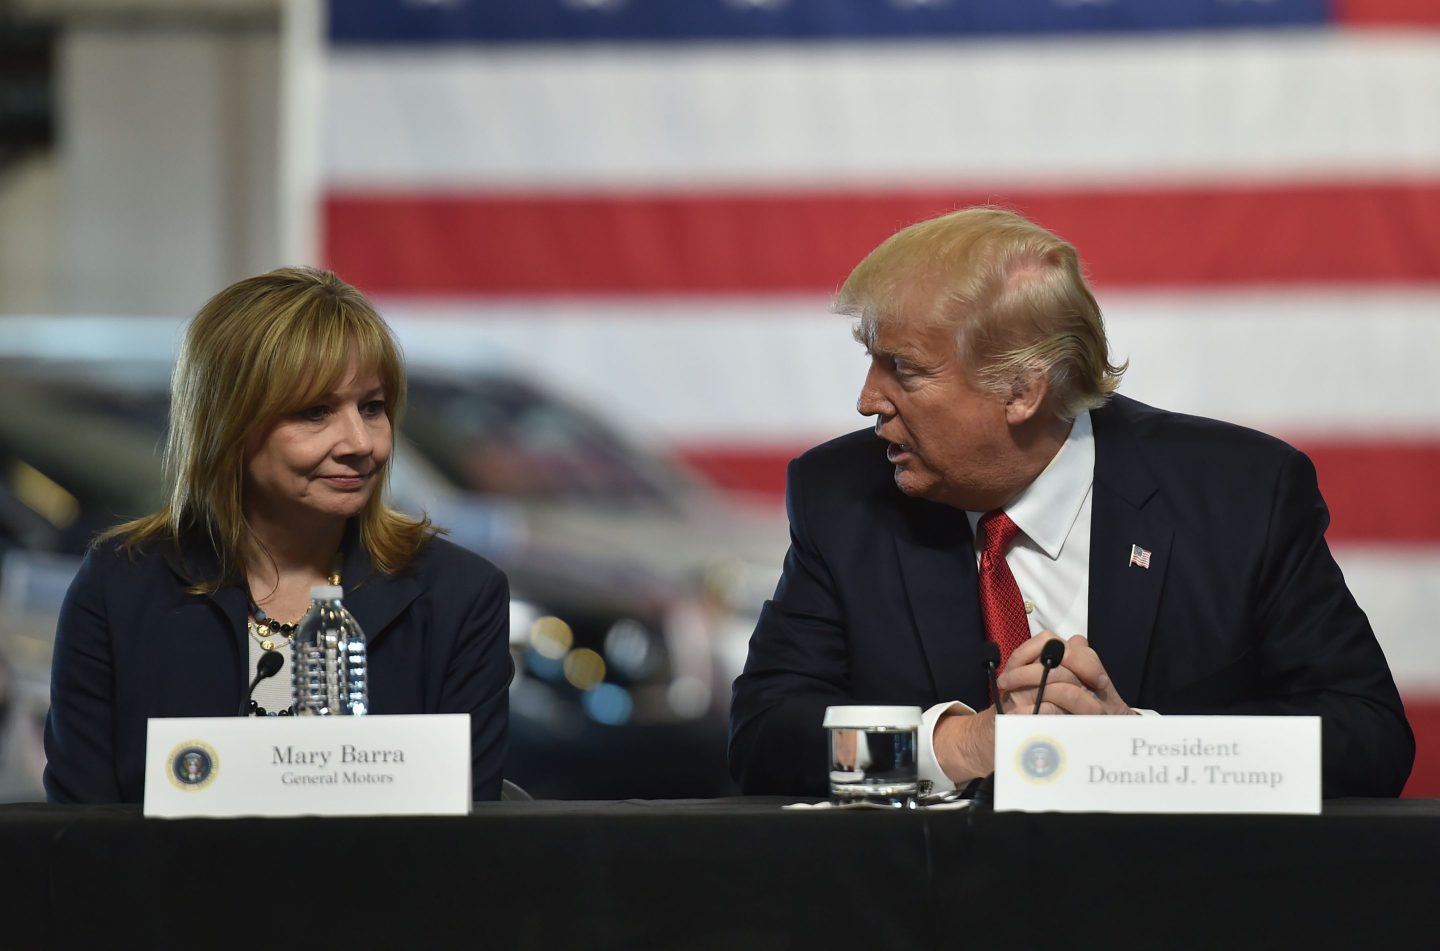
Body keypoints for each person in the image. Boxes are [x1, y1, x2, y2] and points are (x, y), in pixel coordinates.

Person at [729, 207, 1413, 799]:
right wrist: (959, 744)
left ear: (1023, 391)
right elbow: (765, 740)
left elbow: (1368, 738)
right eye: (871, 360)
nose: (868, 400)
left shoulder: (1241, 496)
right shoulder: (842, 496)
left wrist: (1138, 750)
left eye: (903, 370)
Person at [43, 267, 513, 803]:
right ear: (228, 425)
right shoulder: (120, 584)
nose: (360, 442)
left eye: (372, 408)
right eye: (315, 412)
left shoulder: (460, 595)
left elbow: (469, 847)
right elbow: (78, 837)